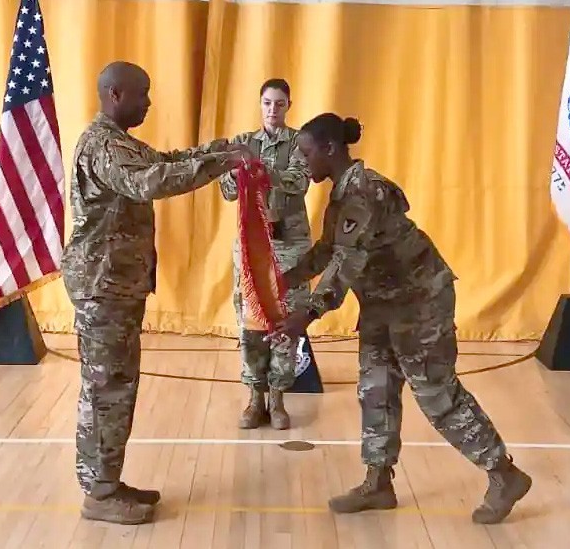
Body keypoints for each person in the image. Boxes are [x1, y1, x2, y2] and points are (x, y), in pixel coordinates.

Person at [270, 113, 532, 524]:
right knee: (376, 389)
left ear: (330, 149)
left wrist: (308, 313)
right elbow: (326, 249)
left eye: (306, 153)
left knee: (437, 397)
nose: (302, 161)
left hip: (419, 301)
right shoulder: (342, 194)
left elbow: (345, 264)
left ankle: (504, 473)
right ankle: (378, 483)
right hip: (381, 303)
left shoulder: (364, 193)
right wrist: (285, 279)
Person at [61, 61, 251, 525]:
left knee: (117, 385)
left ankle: (109, 480)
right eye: (142, 94)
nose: (149, 102)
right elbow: (152, 182)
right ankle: (100, 493)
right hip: (102, 286)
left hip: (115, 284)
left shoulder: (120, 143)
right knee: (106, 388)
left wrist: (228, 147)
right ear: (115, 94)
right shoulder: (103, 145)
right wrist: (224, 163)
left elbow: (165, 162)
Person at [219, 78, 311, 430]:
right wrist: (238, 172)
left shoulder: (300, 143)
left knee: (285, 323)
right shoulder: (244, 143)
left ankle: (278, 399)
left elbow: (300, 182)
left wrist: (263, 172)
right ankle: (254, 397)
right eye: (268, 103)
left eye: (280, 104)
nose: (273, 110)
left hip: (289, 246)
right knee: (251, 321)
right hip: (251, 248)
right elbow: (227, 190)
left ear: (289, 106)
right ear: (260, 104)